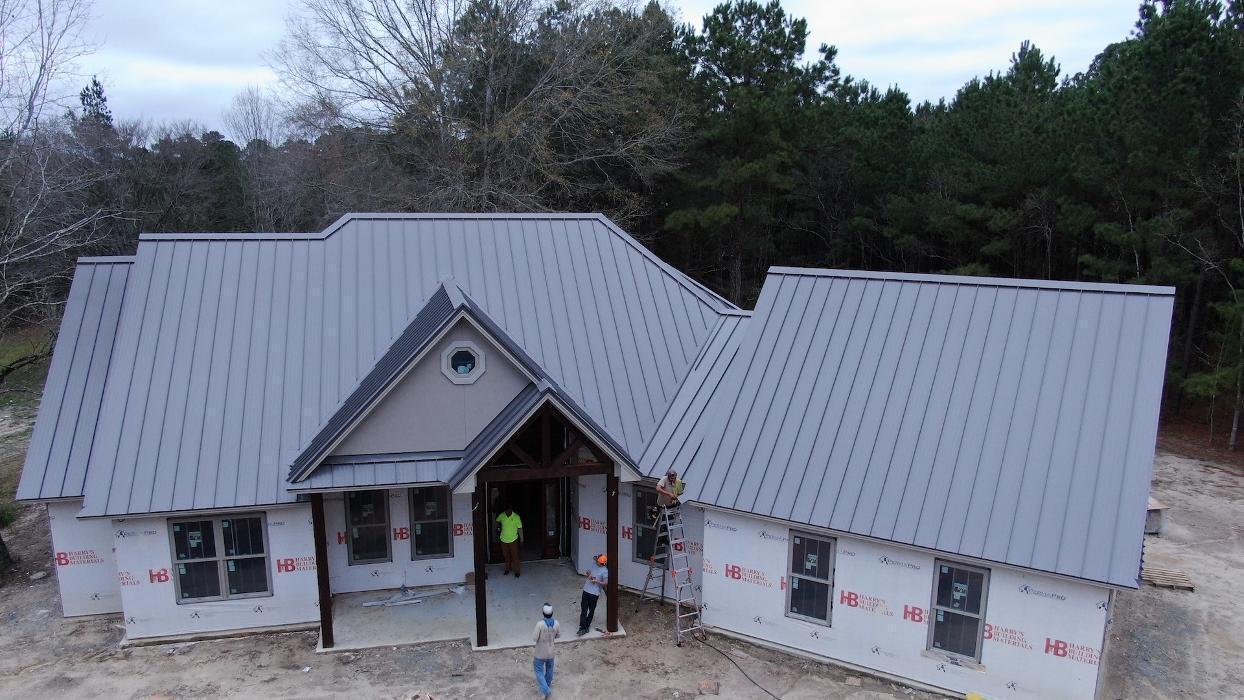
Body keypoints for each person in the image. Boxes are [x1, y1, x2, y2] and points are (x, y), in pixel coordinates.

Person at [532, 603, 560, 698]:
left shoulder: (540, 624)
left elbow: (534, 638)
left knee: (538, 670)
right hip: (551, 652)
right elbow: (558, 635)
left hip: (540, 653)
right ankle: (544, 690)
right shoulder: (556, 623)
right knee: (549, 670)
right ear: (552, 613)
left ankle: (546, 690)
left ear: (543, 613)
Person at [577, 553, 608, 636]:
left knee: (591, 610)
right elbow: (588, 571)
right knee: (584, 610)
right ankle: (582, 627)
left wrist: (597, 581)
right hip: (586, 590)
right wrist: (588, 574)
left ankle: (587, 625)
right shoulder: (594, 564)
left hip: (594, 593)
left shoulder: (605, 571)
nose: (596, 562)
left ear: (601, 563)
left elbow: (605, 583)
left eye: (597, 561)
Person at [496, 503, 524, 577]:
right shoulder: (502, 515)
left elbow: (520, 529)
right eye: (506, 511)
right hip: (503, 539)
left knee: (515, 556)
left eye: (509, 510)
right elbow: (497, 521)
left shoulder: (516, 517)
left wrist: (522, 540)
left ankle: (517, 571)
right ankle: (507, 569)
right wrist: (498, 529)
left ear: (511, 509)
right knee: (506, 555)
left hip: (513, 540)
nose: (507, 512)